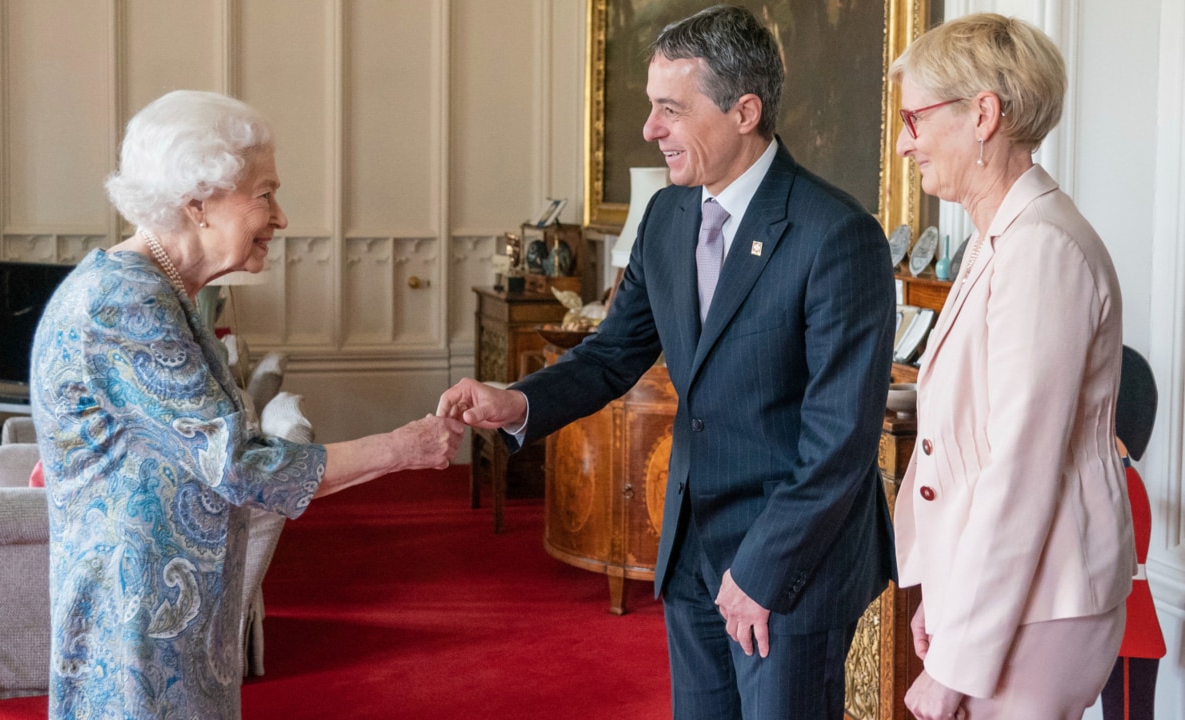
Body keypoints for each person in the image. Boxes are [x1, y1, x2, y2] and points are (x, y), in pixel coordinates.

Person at [439, 6, 897, 718]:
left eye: (670, 111)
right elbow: (613, 354)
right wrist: (518, 402)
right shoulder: (667, 217)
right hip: (691, 552)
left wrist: (764, 568)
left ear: (744, 111)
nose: (651, 131)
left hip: (791, 566)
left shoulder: (837, 235)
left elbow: (840, 440)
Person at [30, 90, 464, 719]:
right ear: (197, 203)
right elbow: (239, 464)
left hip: (174, 625)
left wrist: (401, 455)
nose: (281, 217)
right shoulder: (122, 302)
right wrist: (403, 447)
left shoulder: (166, 292)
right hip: (135, 638)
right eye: (264, 194)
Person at [889, 14, 1134, 720]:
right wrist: (946, 592)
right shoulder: (1004, 235)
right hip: (1014, 597)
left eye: (915, 118)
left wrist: (961, 652)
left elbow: (1020, 468)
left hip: (1043, 603)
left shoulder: (1041, 250)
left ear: (983, 115)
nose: (906, 143)